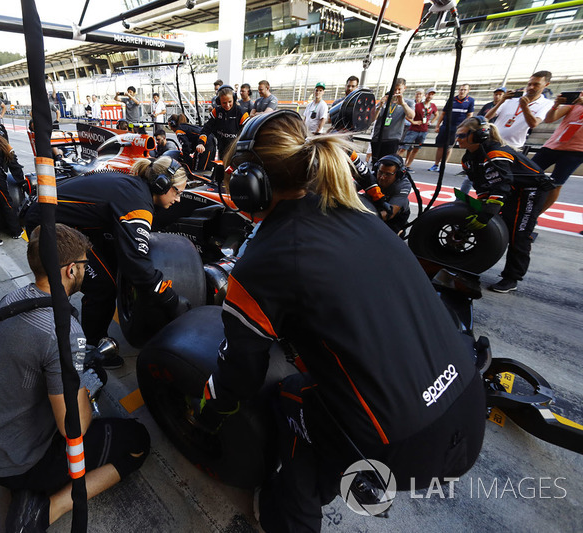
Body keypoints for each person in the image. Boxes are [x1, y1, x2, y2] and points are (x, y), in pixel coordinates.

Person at [194, 110, 485, 532]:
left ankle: (289, 515)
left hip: (409, 445)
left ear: (249, 185)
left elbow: (240, 374)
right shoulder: (357, 207)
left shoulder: (262, 265)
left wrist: (206, 410)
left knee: (291, 396)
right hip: (467, 400)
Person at [0, 223, 150, 530]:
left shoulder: (13, 299)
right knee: (138, 441)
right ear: (70, 271)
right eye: (84, 263)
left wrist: (81, 373)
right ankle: (45, 509)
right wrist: (81, 389)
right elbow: (74, 428)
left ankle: (31, 489)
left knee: (96, 375)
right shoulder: (62, 333)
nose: (86, 268)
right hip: (21, 460)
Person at [23, 156, 190, 365]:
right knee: (103, 286)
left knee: (110, 265)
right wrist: (169, 298)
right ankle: (90, 351)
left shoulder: (135, 188)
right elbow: (137, 264)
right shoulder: (137, 202)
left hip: (66, 219)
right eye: (177, 192)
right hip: (48, 224)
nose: (179, 199)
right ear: (161, 184)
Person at [456, 116, 555, 293]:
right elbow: (482, 186)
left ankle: (512, 278)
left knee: (518, 233)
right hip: (509, 189)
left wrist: (487, 213)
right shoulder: (469, 158)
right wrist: (482, 207)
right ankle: (470, 264)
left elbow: (500, 187)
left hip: (530, 190)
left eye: (462, 135)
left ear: (479, 135)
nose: (458, 139)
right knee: (488, 223)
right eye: (458, 135)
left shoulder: (495, 153)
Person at [532, 90, 583, 214]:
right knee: (527, 172)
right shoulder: (573, 104)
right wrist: (556, 105)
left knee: (556, 184)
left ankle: (535, 216)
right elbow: (549, 119)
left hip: (576, 151)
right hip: (552, 146)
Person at [486, 71, 554, 150]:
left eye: (536, 84)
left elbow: (533, 124)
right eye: (529, 84)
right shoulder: (512, 98)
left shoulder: (546, 104)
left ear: (546, 84)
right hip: (493, 140)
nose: (531, 87)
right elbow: (487, 117)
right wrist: (502, 100)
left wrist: (524, 107)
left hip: (513, 145)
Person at [196, 85, 249, 160]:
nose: (227, 105)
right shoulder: (216, 112)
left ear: (234, 98)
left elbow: (248, 132)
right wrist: (201, 143)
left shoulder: (241, 113)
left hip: (236, 151)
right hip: (222, 149)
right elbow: (206, 128)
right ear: (219, 101)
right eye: (224, 103)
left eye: (230, 102)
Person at [430, 84, 475, 172]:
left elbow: (469, 116)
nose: (462, 91)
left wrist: (465, 129)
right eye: (461, 89)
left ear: (468, 91)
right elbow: (443, 113)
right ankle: (435, 164)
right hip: (446, 126)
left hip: (457, 128)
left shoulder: (470, 101)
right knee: (440, 146)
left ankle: (443, 165)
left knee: (449, 147)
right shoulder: (452, 99)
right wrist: (437, 126)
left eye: (464, 90)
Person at [370, 78, 415, 161]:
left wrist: (403, 104)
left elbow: (411, 116)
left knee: (388, 163)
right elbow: (373, 118)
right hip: (378, 137)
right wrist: (380, 106)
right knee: (376, 163)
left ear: (404, 88)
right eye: (394, 89)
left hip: (392, 139)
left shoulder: (408, 102)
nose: (396, 92)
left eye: (399, 89)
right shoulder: (385, 100)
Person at [367, 154, 412, 234]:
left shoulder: (403, 185)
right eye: (380, 172)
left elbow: (389, 214)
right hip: (374, 207)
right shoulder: (371, 176)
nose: (382, 177)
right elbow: (350, 188)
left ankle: (400, 230)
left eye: (388, 174)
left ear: (398, 174)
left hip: (395, 216)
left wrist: (362, 219)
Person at [402, 87, 438, 170]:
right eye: (429, 94)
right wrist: (413, 122)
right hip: (413, 130)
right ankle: (397, 164)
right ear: (426, 95)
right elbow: (407, 115)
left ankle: (407, 165)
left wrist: (431, 122)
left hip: (424, 131)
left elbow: (437, 114)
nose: (430, 96)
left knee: (416, 149)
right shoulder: (417, 105)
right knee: (403, 148)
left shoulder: (433, 106)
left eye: (432, 94)